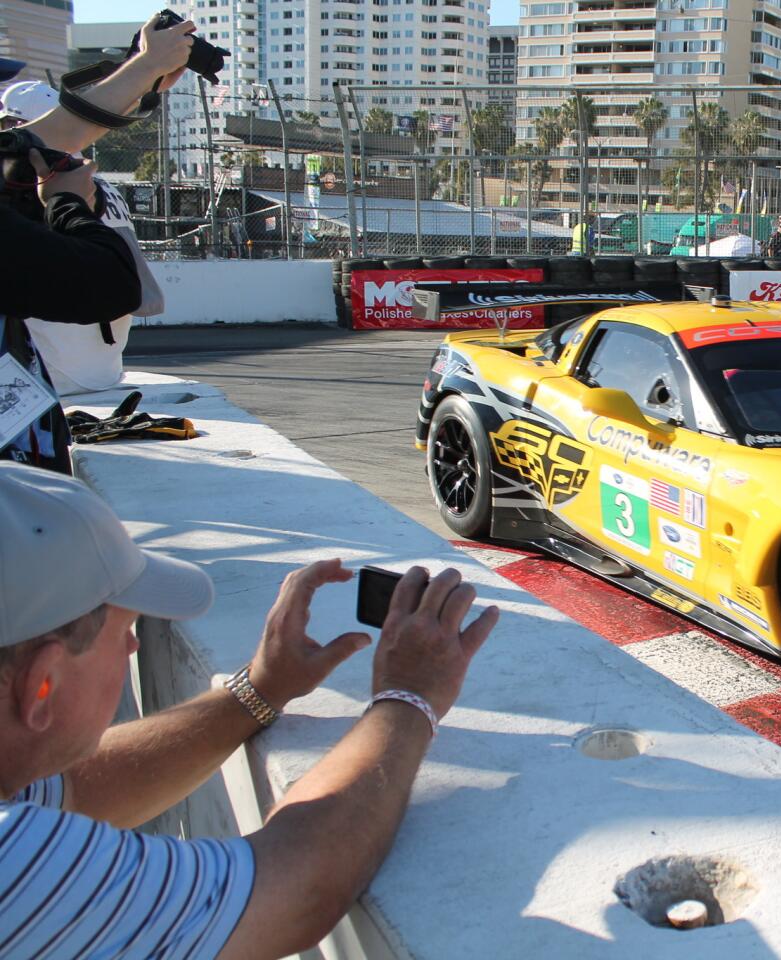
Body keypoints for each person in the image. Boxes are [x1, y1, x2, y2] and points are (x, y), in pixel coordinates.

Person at [0, 462, 500, 958]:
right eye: (124, 632)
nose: (134, 647)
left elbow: (82, 790)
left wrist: (260, 688)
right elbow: (293, 886)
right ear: (43, 685)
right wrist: (409, 696)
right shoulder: (16, 866)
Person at [0, 20, 193, 473]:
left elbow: (55, 135)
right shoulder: (84, 186)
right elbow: (110, 284)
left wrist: (145, 69)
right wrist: (66, 202)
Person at [3, 82, 162, 396]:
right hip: (105, 368)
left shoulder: (31, 191)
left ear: (19, 128)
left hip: (50, 374)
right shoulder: (99, 184)